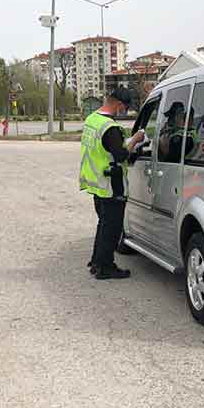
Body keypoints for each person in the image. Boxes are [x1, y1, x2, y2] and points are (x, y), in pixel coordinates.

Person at [80, 88, 145, 280]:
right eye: (124, 108)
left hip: (96, 184)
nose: (124, 111)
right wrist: (135, 140)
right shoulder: (110, 127)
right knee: (112, 229)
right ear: (117, 104)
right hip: (111, 184)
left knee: (104, 224)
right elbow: (121, 155)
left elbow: (105, 148)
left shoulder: (92, 120)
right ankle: (105, 267)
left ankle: (96, 262)